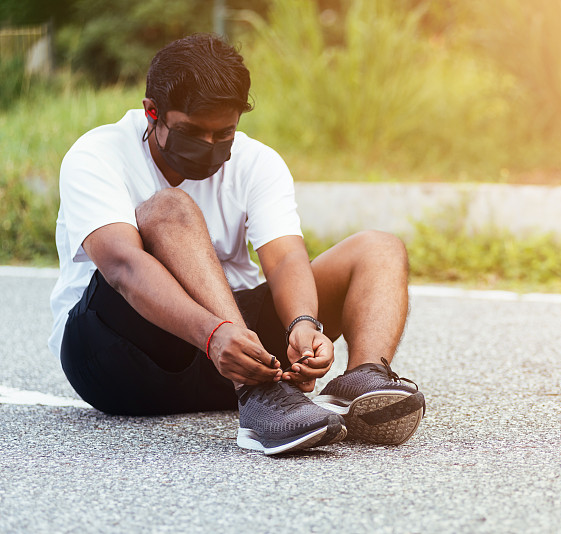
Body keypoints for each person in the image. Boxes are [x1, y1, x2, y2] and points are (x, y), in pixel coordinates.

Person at [48, 33, 425, 455]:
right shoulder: (97, 154)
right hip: (120, 353)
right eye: (193, 132)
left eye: (223, 133)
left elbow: (284, 259)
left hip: (241, 355)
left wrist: (303, 324)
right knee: (169, 207)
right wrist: (214, 335)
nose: (210, 147)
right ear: (152, 113)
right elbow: (123, 267)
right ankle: (257, 393)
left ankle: (359, 384)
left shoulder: (257, 162)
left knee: (379, 247)